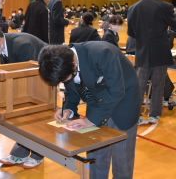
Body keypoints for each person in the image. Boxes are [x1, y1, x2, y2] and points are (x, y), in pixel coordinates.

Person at [38, 42, 141, 179]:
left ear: (74, 65)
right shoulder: (63, 61)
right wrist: (68, 109)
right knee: (96, 156)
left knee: (121, 160)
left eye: (65, 79)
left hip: (124, 103)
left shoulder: (102, 53)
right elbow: (72, 90)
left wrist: (90, 120)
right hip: (96, 103)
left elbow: (116, 91)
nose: (65, 82)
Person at [0, 23, 47, 169]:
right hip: (30, 80)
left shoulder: (22, 45)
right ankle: (20, 152)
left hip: (43, 79)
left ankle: (38, 154)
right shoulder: (3, 45)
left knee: (34, 115)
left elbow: (24, 79)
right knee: (21, 114)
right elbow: (8, 71)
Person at [127, 0, 176, 125]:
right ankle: (155, 115)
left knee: (140, 83)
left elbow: (131, 33)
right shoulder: (165, 6)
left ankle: (136, 114)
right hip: (160, 51)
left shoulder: (133, 8)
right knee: (158, 84)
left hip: (142, 51)